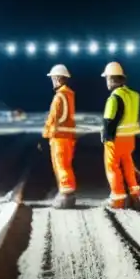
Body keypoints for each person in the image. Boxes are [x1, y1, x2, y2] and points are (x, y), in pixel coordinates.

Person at [100, 61, 140, 210]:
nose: (106, 82)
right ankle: (135, 195)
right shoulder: (134, 95)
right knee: (128, 165)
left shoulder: (114, 98)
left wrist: (105, 136)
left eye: (107, 79)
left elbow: (109, 121)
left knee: (112, 167)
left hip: (116, 139)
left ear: (112, 79)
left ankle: (117, 199)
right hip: (129, 139)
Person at [43, 64, 77, 209]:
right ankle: (68, 193)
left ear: (58, 79)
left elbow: (53, 117)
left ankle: (66, 195)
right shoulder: (69, 95)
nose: (52, 81)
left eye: (52, 78)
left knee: (61, 165)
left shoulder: (59, 96)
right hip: (68, 136)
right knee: (66, 165)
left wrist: (46, 133)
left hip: (59, 137)